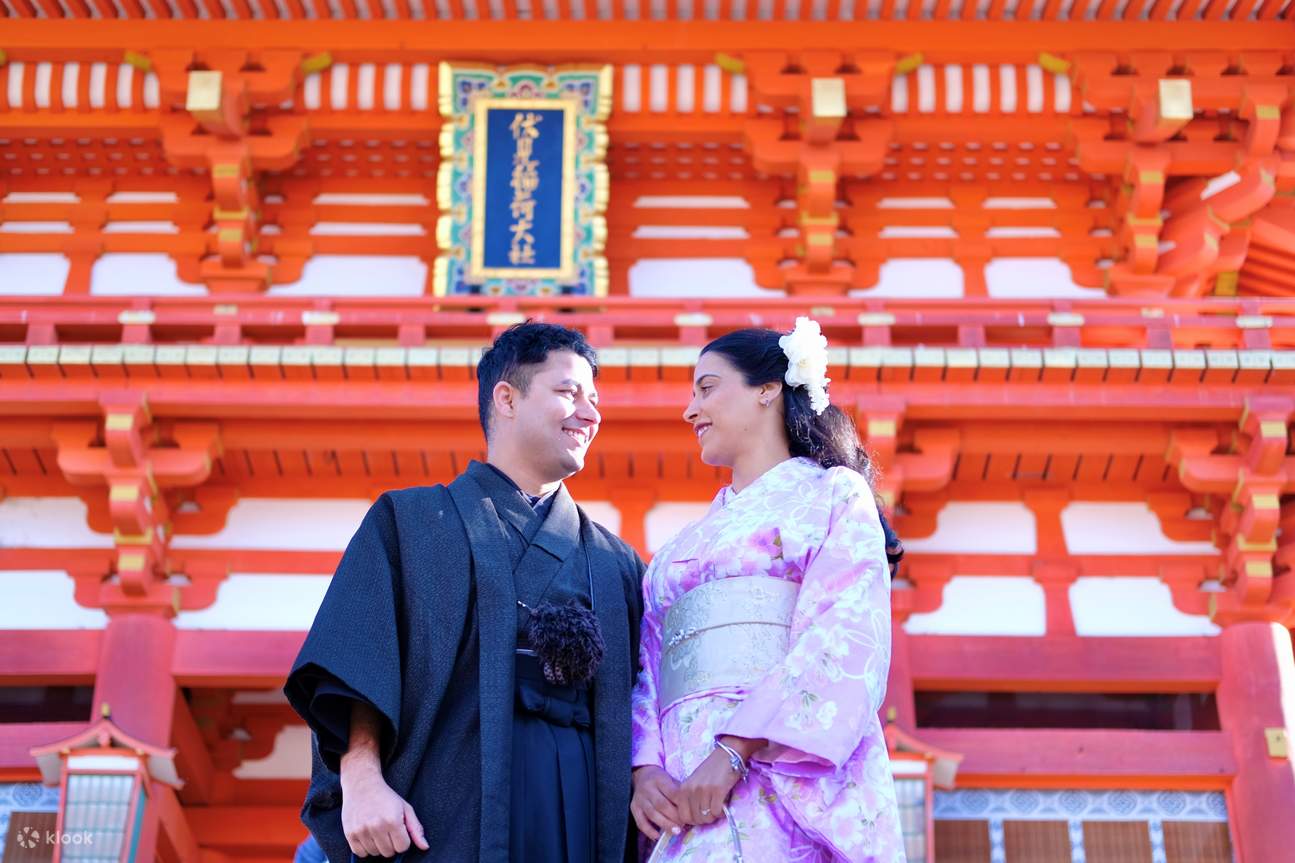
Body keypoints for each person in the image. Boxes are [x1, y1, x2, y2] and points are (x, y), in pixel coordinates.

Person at [284, 322, 645, 863]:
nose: (591, 414)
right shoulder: (410, 522)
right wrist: (361, 783)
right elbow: (355, 664)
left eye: (595, 399)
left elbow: (647, 703)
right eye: (569, 392)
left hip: (581, 813)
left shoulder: (617, 563)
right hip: (442, 811)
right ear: (506, 397)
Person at [629, 318, 906, 862]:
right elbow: (650, 666)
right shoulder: (679, 547)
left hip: (779, 772)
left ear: (767, 388)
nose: (691, 410)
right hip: (688, 789)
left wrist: (734, 750)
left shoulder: (831, 495)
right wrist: (645, 767)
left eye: (707, 388)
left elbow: (841, 632)